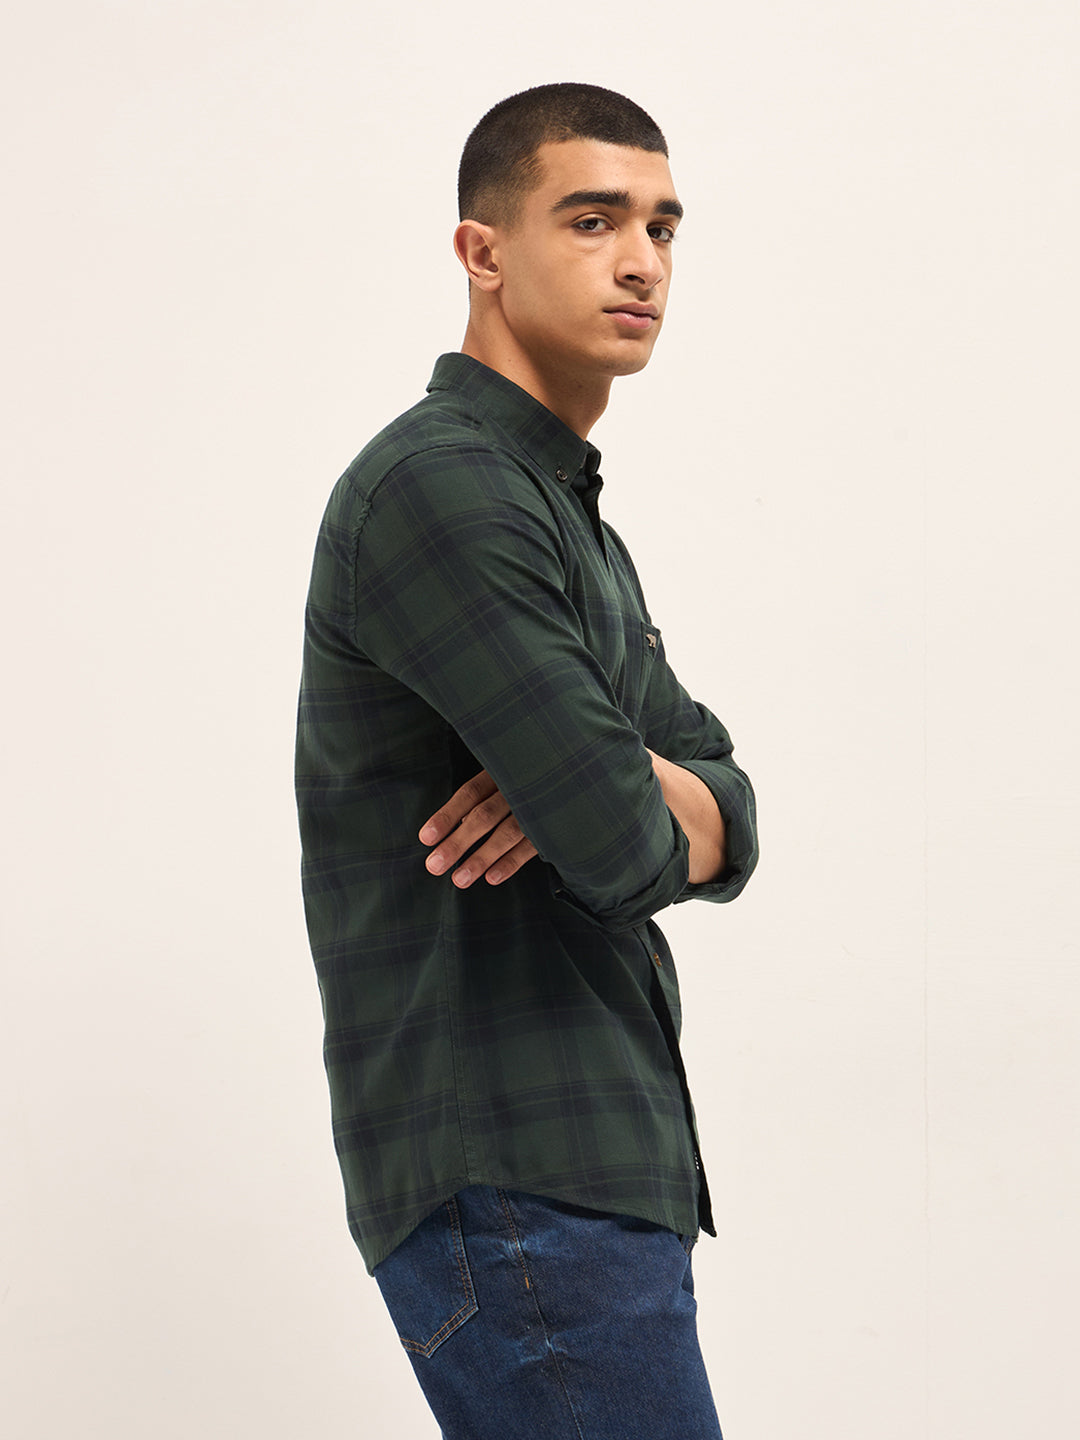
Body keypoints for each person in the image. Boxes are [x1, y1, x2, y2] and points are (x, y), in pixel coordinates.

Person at [295, 82, 758, 1440]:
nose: (643, 262)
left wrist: (602, 765)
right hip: (518, 1179)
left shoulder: (560, 514)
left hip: (580, 1178)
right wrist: (609, 779)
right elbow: (621, 844)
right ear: (481, 251)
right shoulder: (445, 490)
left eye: (663, 227)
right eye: (594, 220)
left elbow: (727, 804)